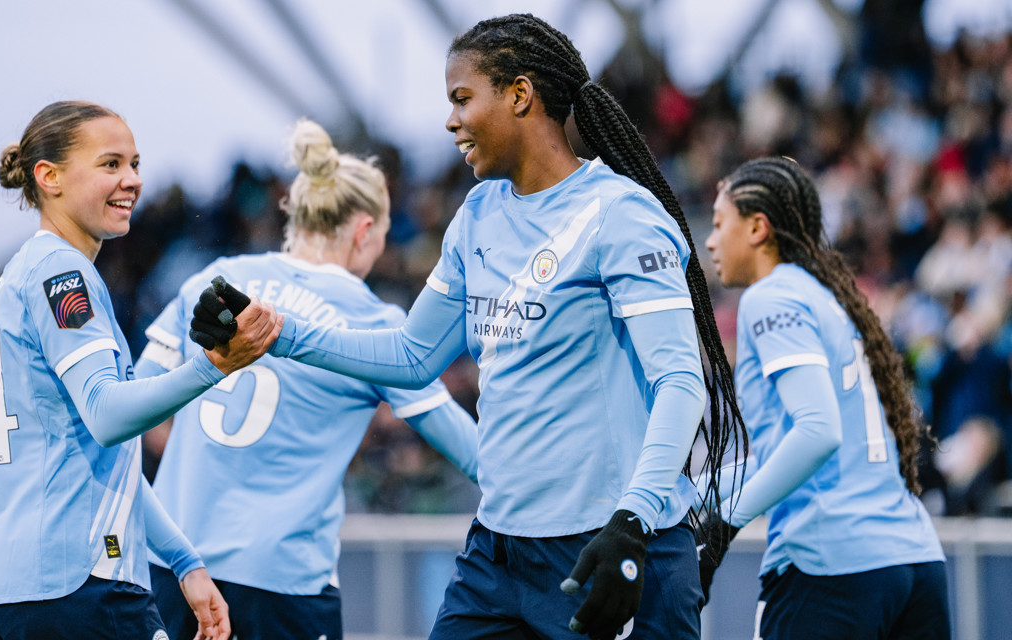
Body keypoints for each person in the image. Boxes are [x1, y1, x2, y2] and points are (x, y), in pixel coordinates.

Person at [242, 13, 747, 640]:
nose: (450, 120)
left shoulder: (620, 215)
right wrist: (277, 334)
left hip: (608, 549)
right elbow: (412, 356)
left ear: (519, 95)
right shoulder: (478, 213)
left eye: (462, 98)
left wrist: (633, 521)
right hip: (498, 555)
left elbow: (680, 381)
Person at [136, 118, 479, 640]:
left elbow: (130, 407)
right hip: (281, 585)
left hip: (172, 571)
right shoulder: (376, 322)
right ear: (365, 230)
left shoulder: (215, 280)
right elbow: (471, 453)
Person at [0, 101, 279, 640]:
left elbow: (104, 459)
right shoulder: (63, 272)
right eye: (110, 164)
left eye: (134, 164)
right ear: (50, 177)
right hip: (78, 580)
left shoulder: (23, 274)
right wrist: (216, 365)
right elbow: (108, 416)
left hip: (6, 591)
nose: (132, 180)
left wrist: (184, 561)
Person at [699, 156, 949, 639]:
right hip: (915, 559)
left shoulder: (771, 297)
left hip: (831, 565)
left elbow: (817, 433)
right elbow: (791, 452)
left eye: (718, 223)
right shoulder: (828, 298)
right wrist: (696, 493)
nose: (710, 241)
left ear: (757, 228)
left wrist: (722, 526)